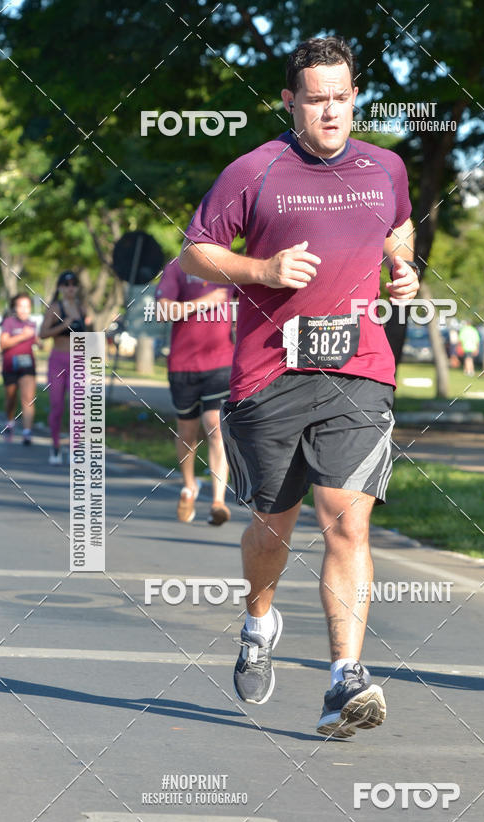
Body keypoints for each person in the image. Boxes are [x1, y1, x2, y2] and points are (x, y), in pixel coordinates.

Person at [180, 35, 419, 737]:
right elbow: (196, 253)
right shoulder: (253, 172)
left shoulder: (386, 168)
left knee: (347, 521)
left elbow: (398, 228)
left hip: (359, 373)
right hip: (268, 377)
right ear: (290, 101)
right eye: (315, 100)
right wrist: (263, 270)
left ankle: (345, 677)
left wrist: (405, 272)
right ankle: (259, 620)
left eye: (341, 98)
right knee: (271, 526)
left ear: (354, 98)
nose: (331, 112)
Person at [155, 258, 235, 525]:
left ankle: (218, 501)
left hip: (221, 363)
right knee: (187, 431)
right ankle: (189, 486)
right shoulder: (178, 267)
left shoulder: (231, 266)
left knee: (215, 424)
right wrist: (205, 302)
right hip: (183, 365)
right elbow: (162, 311)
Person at [39, 270, 89, 464]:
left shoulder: (82, 308)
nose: (70, 288)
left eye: (74, 284)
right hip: (57, 360)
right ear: (60, 287)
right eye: (66, 284)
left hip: (77, 361)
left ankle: (75, 447)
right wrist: (63, 325)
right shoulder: (55, 308)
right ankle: (55, 446)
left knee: (77, 407)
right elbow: (42, 334)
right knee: (57, 405)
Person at [1, 293, 40, 444]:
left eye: (27, 306)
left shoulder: (32, 324)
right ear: (15, 308)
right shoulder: (9, 323)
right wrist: (23, 336)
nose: (24, 310)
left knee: (28, 398)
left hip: (27, 365)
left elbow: (35, 339)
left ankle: (27, 431)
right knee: (11, 397)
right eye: (20, 306)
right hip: (10, 365)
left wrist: (38, 342)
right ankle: (10, 421)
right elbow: (3, 344)